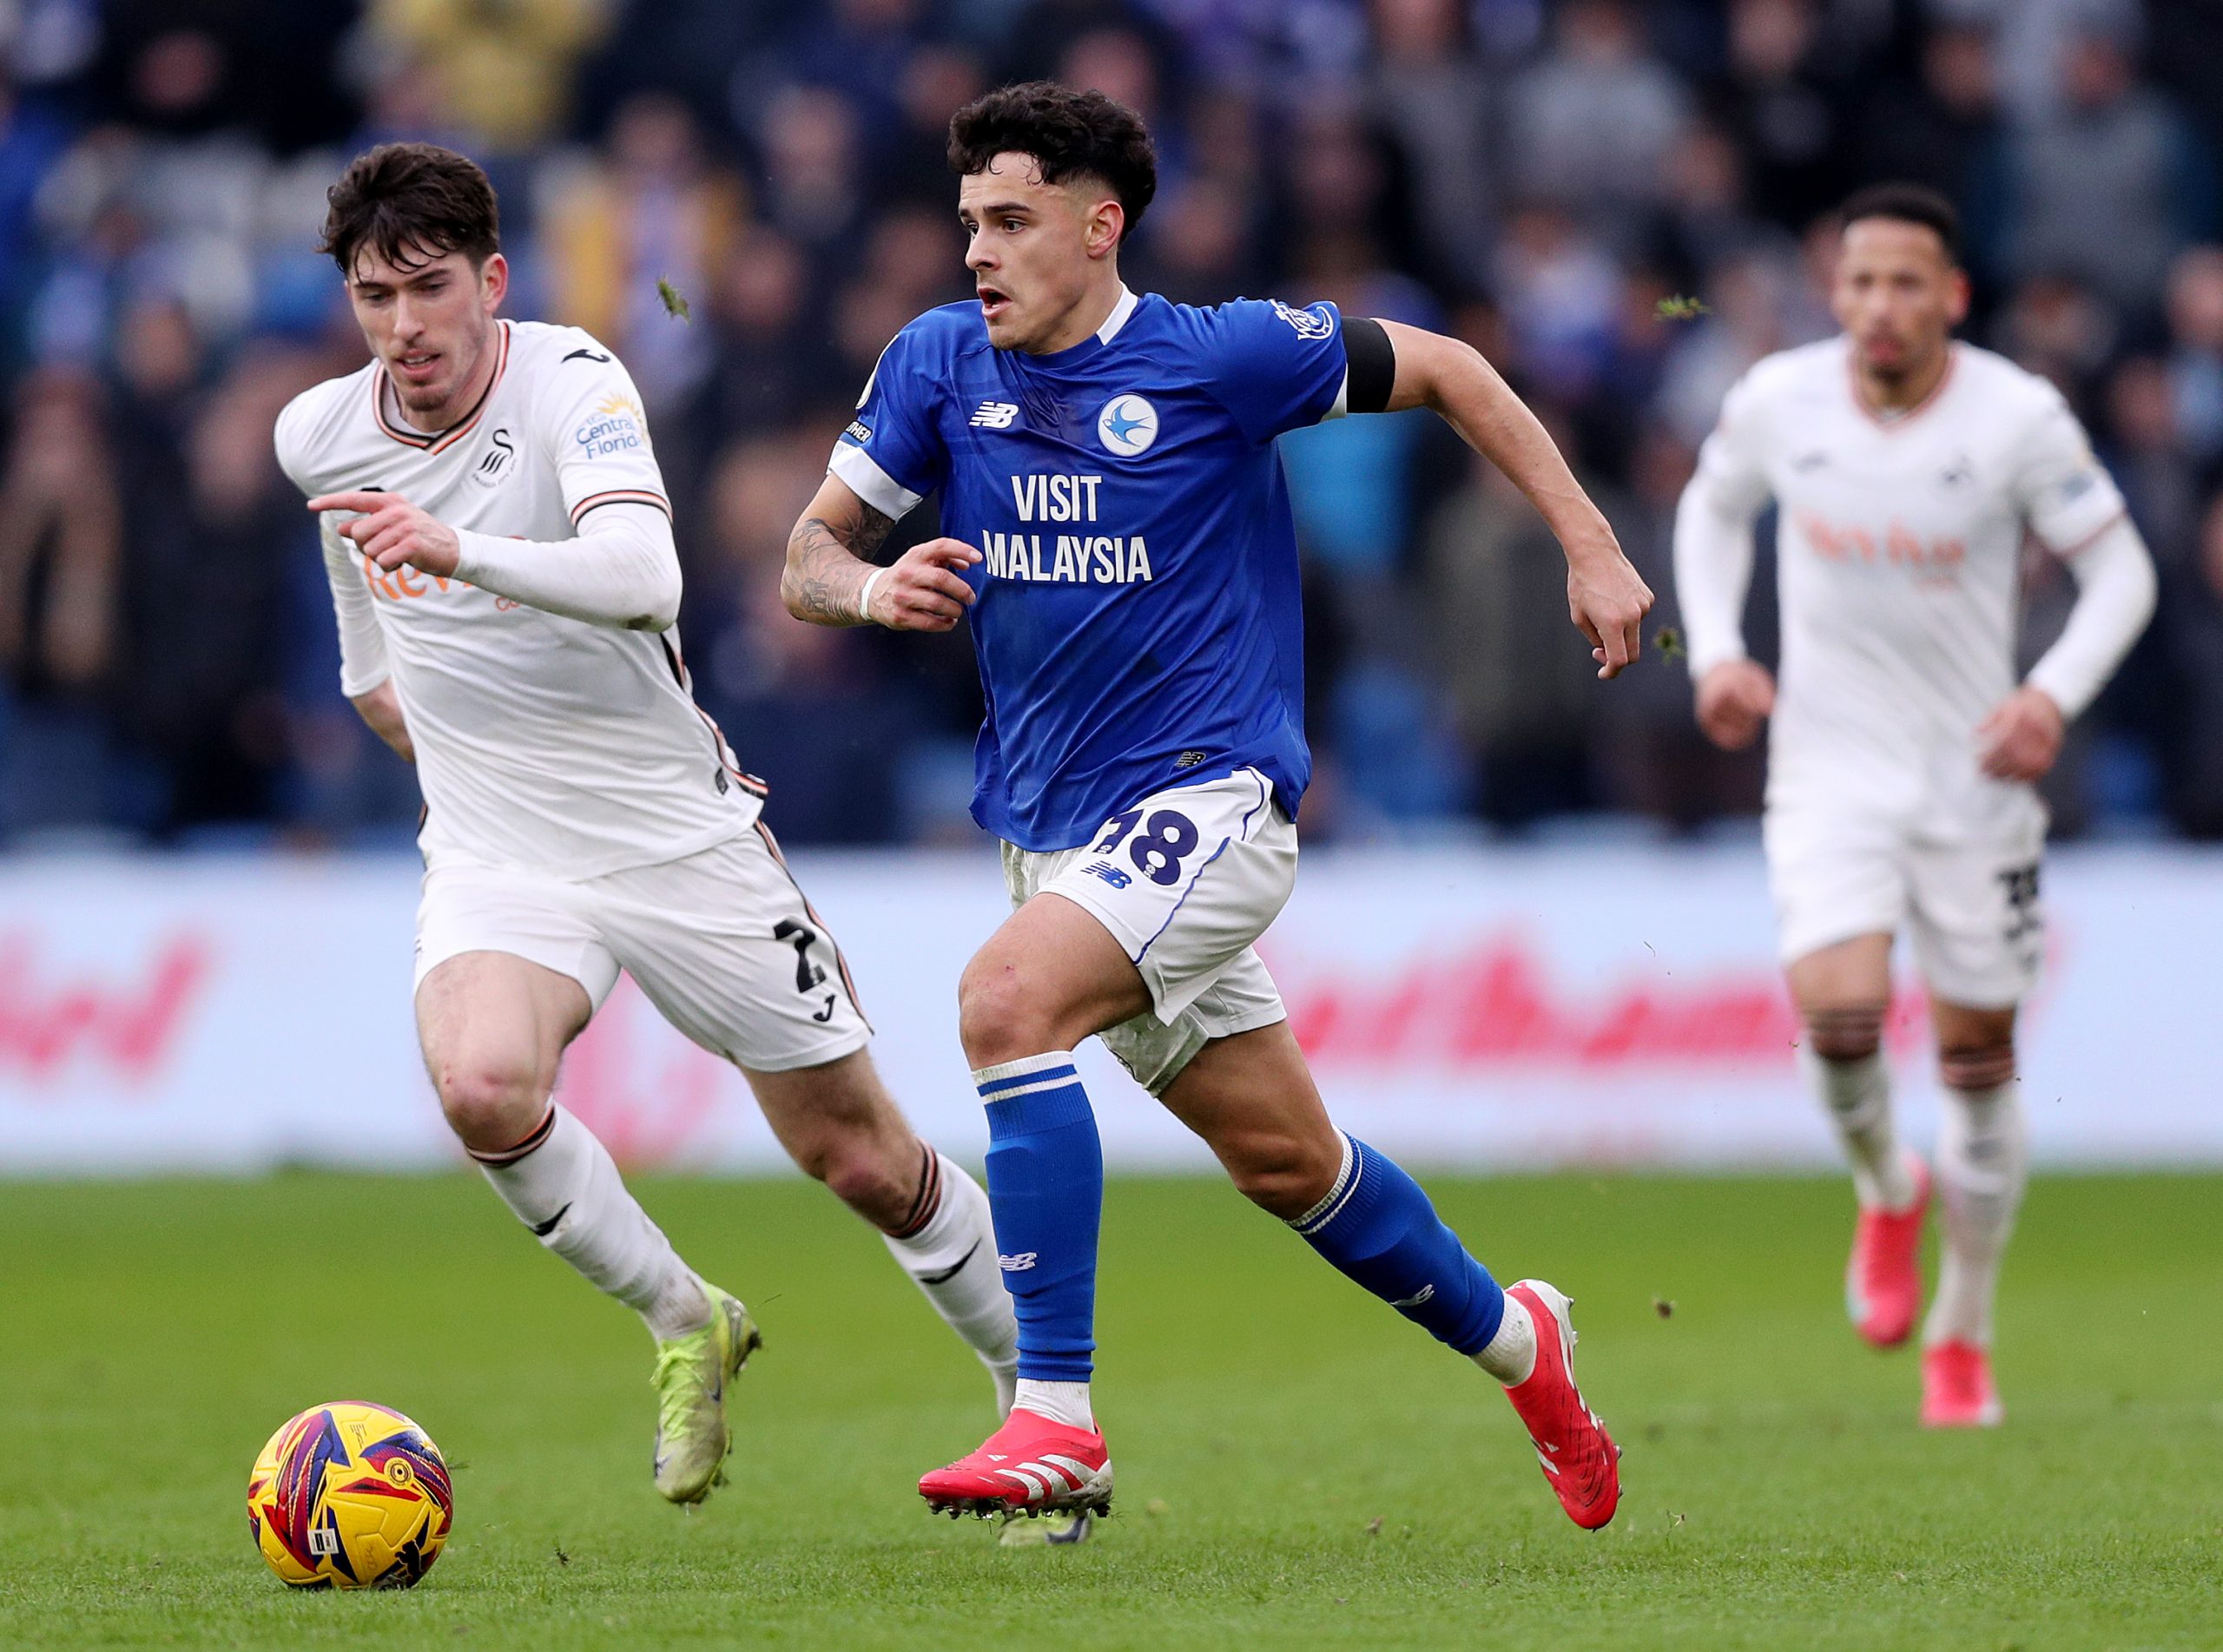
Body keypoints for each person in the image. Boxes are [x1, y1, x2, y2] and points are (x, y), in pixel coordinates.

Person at [781, 82, 1652, 1530]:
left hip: (1215, 801)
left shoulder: (1222, 358)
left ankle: (1055, 1415)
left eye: (1011, 222)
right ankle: (1528, 1349)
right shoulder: (938, 363)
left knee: (1005, 1006)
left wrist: (1592, 547)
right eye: (967, 225)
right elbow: (806, 554)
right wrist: (873, 588)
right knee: (1290, 1165)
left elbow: (1448, 367)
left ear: (1098, 225)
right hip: (1057, 837)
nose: (978, 254)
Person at [272, 142, 1018, 1509]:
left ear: (492, 281)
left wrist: (462, 553)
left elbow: (643, 575)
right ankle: (686, 1318)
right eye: (375, 297)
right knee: (483, 1086)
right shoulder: (318, 431)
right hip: (501, 847)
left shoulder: (574, 384)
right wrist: (445, 754)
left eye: (429, 289)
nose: (403, 326)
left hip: (672, 830)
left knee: (858, 1154)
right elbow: (367, 657)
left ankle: (1035, 1412)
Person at [1672, 183, 2156, 1427]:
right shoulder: (1784, 400)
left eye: (1905, 284)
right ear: (1836, 294)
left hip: (1973, 782)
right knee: (1835, 1017)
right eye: (1859, 282)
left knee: (1979, 1059)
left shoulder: (2017, 417)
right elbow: (1712, 510)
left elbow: (2122, 573)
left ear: (1953, 295)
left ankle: (1965, 1330)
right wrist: (1719, 650)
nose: (1879, 306)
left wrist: (2049, 696)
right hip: (1828, 771)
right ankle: (1889, 1187)